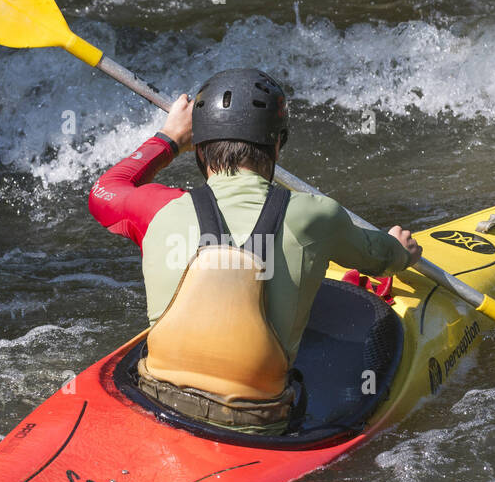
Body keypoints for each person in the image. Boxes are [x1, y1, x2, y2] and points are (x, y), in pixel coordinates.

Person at [88, 68, 421, 434]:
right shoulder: (316, 216)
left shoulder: (155, 209)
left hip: (155, 398)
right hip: (257, 422)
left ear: (198, 146)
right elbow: (380, 259)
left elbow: (105, 190)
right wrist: (402, 250)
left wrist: (167, 138)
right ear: (278, 144)